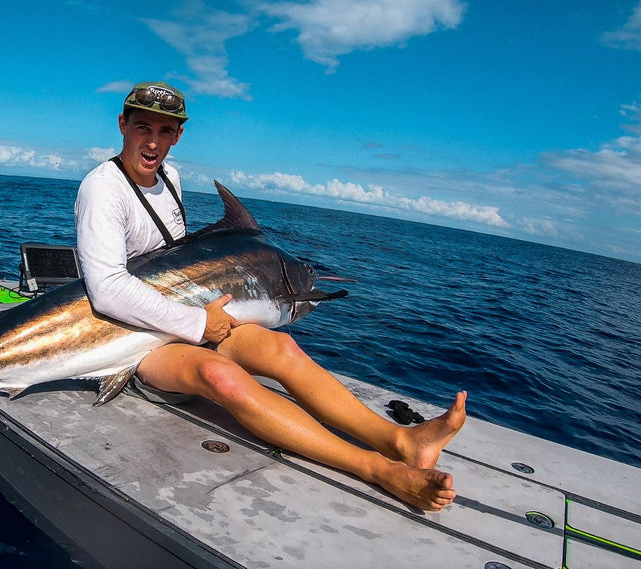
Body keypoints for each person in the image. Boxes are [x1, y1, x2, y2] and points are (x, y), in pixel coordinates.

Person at [74, 81, 467, 511]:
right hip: (131, 339)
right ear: (122, 125)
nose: (153, 142)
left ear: (178, 136)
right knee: (218, 375)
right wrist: (197, 324)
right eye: (142, 127)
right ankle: (376, 468)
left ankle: (401, 441)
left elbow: (174, 262)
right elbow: (108, 288)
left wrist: (202, 317)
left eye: (165, 131)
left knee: (281, 345)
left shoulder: (170, 176)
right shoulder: (102, 189)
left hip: (184, 318)